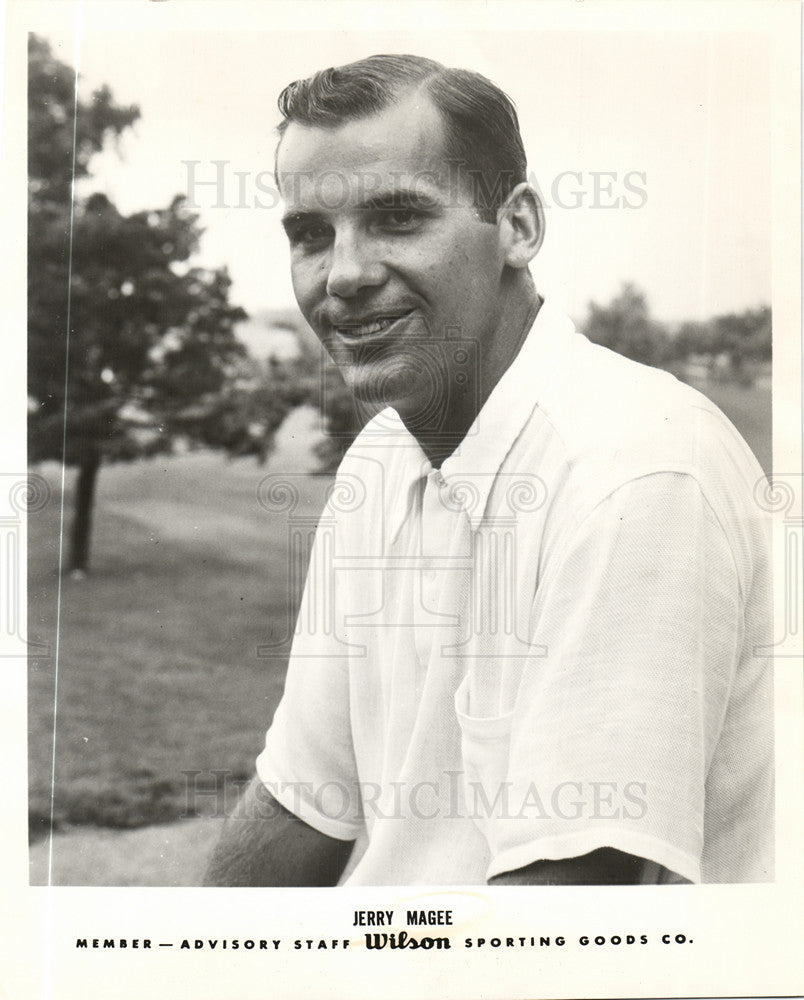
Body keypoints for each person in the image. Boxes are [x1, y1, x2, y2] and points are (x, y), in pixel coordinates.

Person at [204, 54, 773, 887]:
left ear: (518, 228)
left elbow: (566, 928)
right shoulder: (384, 456)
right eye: (311, 235)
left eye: (398, 218)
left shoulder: (640, 472)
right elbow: (299, 800)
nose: (346, 274)